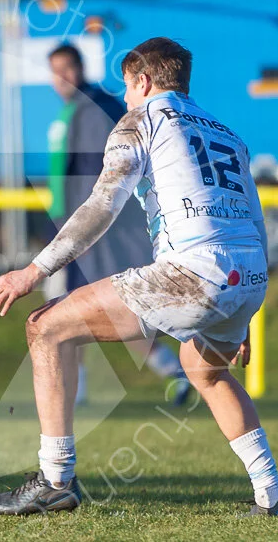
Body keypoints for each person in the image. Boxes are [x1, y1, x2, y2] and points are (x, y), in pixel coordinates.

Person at [0, 37, 278, 516]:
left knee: (44, 328)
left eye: (128, 86)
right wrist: (247, 311)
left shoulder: (141, 120)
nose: (125, 97)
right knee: (205, 370)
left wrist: (33, 270)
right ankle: (272, 496)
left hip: (191, 272)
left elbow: (101, 205)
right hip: (248, 276)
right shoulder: (227, 133)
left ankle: (55, 479)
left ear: (143, 81)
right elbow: (253, 224)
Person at [44, 42, 190, 407]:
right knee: (82, 312)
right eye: (55, 70)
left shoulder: (94, 109)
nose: (61, 78)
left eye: (67, 68)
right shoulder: (72, 110)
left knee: (75, 313)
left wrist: (85, 233)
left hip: (91, 233)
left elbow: (106, 185)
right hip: (73, 226)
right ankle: (173, 372)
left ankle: (73, 395)